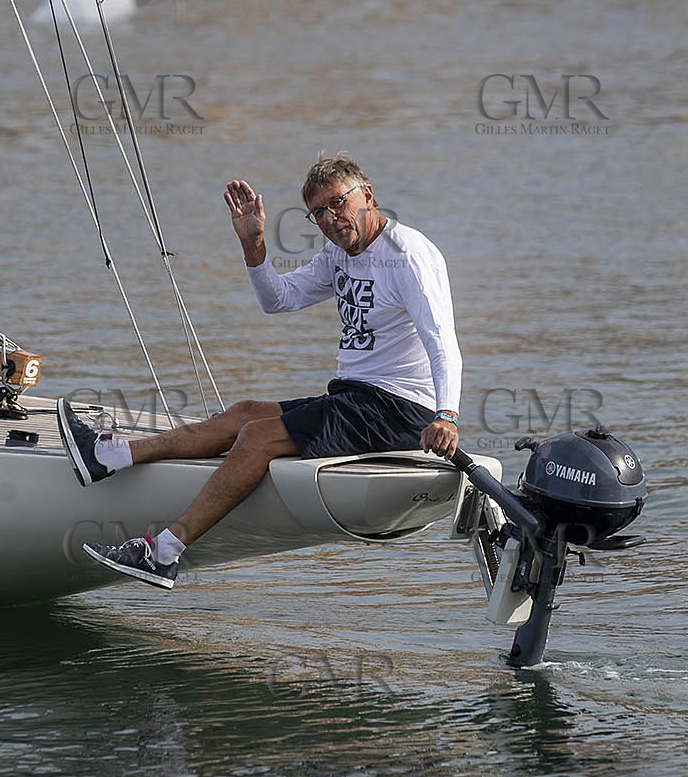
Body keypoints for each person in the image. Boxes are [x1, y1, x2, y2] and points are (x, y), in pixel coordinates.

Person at [56, 155, 462, 589]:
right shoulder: (338, 254)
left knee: (258, 437)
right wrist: (253, 243)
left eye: (338, 203)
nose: (330, 218)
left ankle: (165, 550)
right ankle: (109, 457)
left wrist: (447, 416)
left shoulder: (409, 256)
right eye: (318, 212)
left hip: (399, 408)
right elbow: (278, 299)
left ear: (368, 195)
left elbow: (443, 343)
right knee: (244, 413)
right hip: (356, 397)